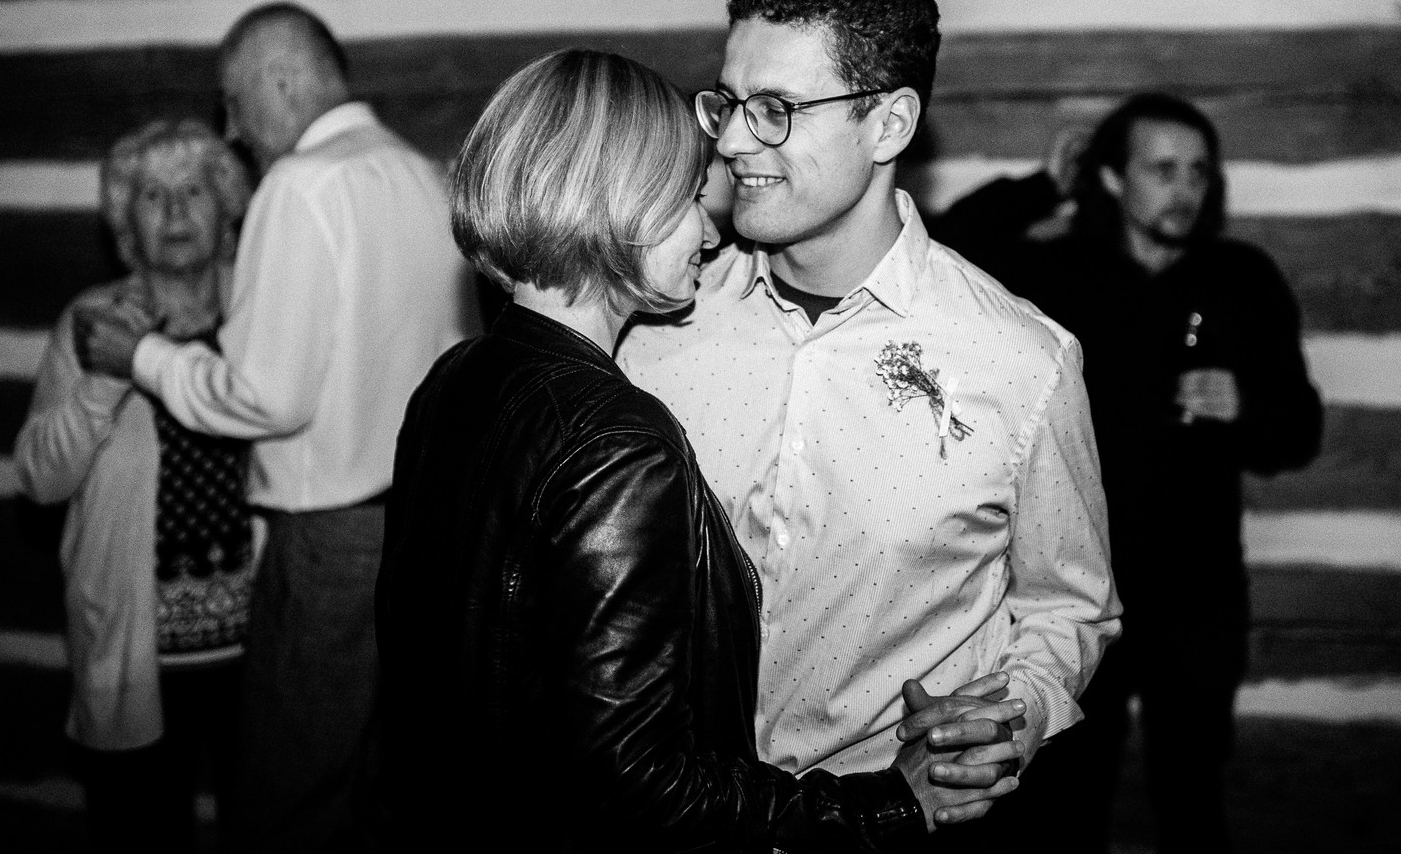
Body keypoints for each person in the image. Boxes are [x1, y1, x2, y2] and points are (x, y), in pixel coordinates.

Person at [377, 48, 1026, 850]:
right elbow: (638, 782)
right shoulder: (617, 443)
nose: (710, 229)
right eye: (689, 197)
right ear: (624, 203)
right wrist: (886, 805)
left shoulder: (455, 377)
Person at [618, 0, 1122, 841]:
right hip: (677, 819)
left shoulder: (1023, 362)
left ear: (889, 125)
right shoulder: (658, 328)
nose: (730, 141)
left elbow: (1069, 605)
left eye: (775, 109)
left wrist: (1015, 712)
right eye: (728, 102)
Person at [74, 2, 475, 851]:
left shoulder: (300, 184)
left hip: (326, 541)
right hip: (422, 531)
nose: (232, 128)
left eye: (233, 100)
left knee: (287, 801)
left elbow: (267, 397)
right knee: (374, 790)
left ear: (282, 79)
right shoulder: (422, 176)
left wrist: (143, 357)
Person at [937, 93, 1324, 854]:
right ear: (1112, 178)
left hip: (1198, 594)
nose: (1185, 189)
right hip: (1075, 598)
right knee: (1064, 807)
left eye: (1198, 172)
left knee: (1192, 797)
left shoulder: (1241, 278)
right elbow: (945, 252)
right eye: (1162, 169)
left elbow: (1300, 430)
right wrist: (1043, 187)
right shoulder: (1056, 273)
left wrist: (1247, 405)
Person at [15, 118, 254, 850]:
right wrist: (103, 382)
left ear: (225, 212)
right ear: (126, 224)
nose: (175, 211)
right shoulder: (90, 323)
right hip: (134, 647)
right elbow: (38, 477)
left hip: (263, 644)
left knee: (273, 833)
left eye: (194, 191)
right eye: (153, 196)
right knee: (138, 840)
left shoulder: (262, 313)